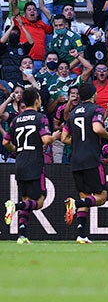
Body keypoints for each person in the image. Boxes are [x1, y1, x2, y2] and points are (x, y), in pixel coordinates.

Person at [62, 83, 108, 244]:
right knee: (101, 197)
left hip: (76, 160)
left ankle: (81, 235)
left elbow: (64, 138)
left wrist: (80, 140)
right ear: (94, 95)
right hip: (91, 159)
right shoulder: (96, 109)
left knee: (85, 196)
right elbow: (97, 128)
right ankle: (75, 204)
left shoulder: (73, 113)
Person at [3, 88, 59, 244]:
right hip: (34, 162)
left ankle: (22, 235)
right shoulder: (40, 117)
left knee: (26, 198)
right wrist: (54, 136)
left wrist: (17, 150)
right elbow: (46, 139)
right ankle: (14, 206)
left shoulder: (16, 120)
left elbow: (5, 142)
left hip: (20, 161)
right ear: (36, 100)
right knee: (39, 201)